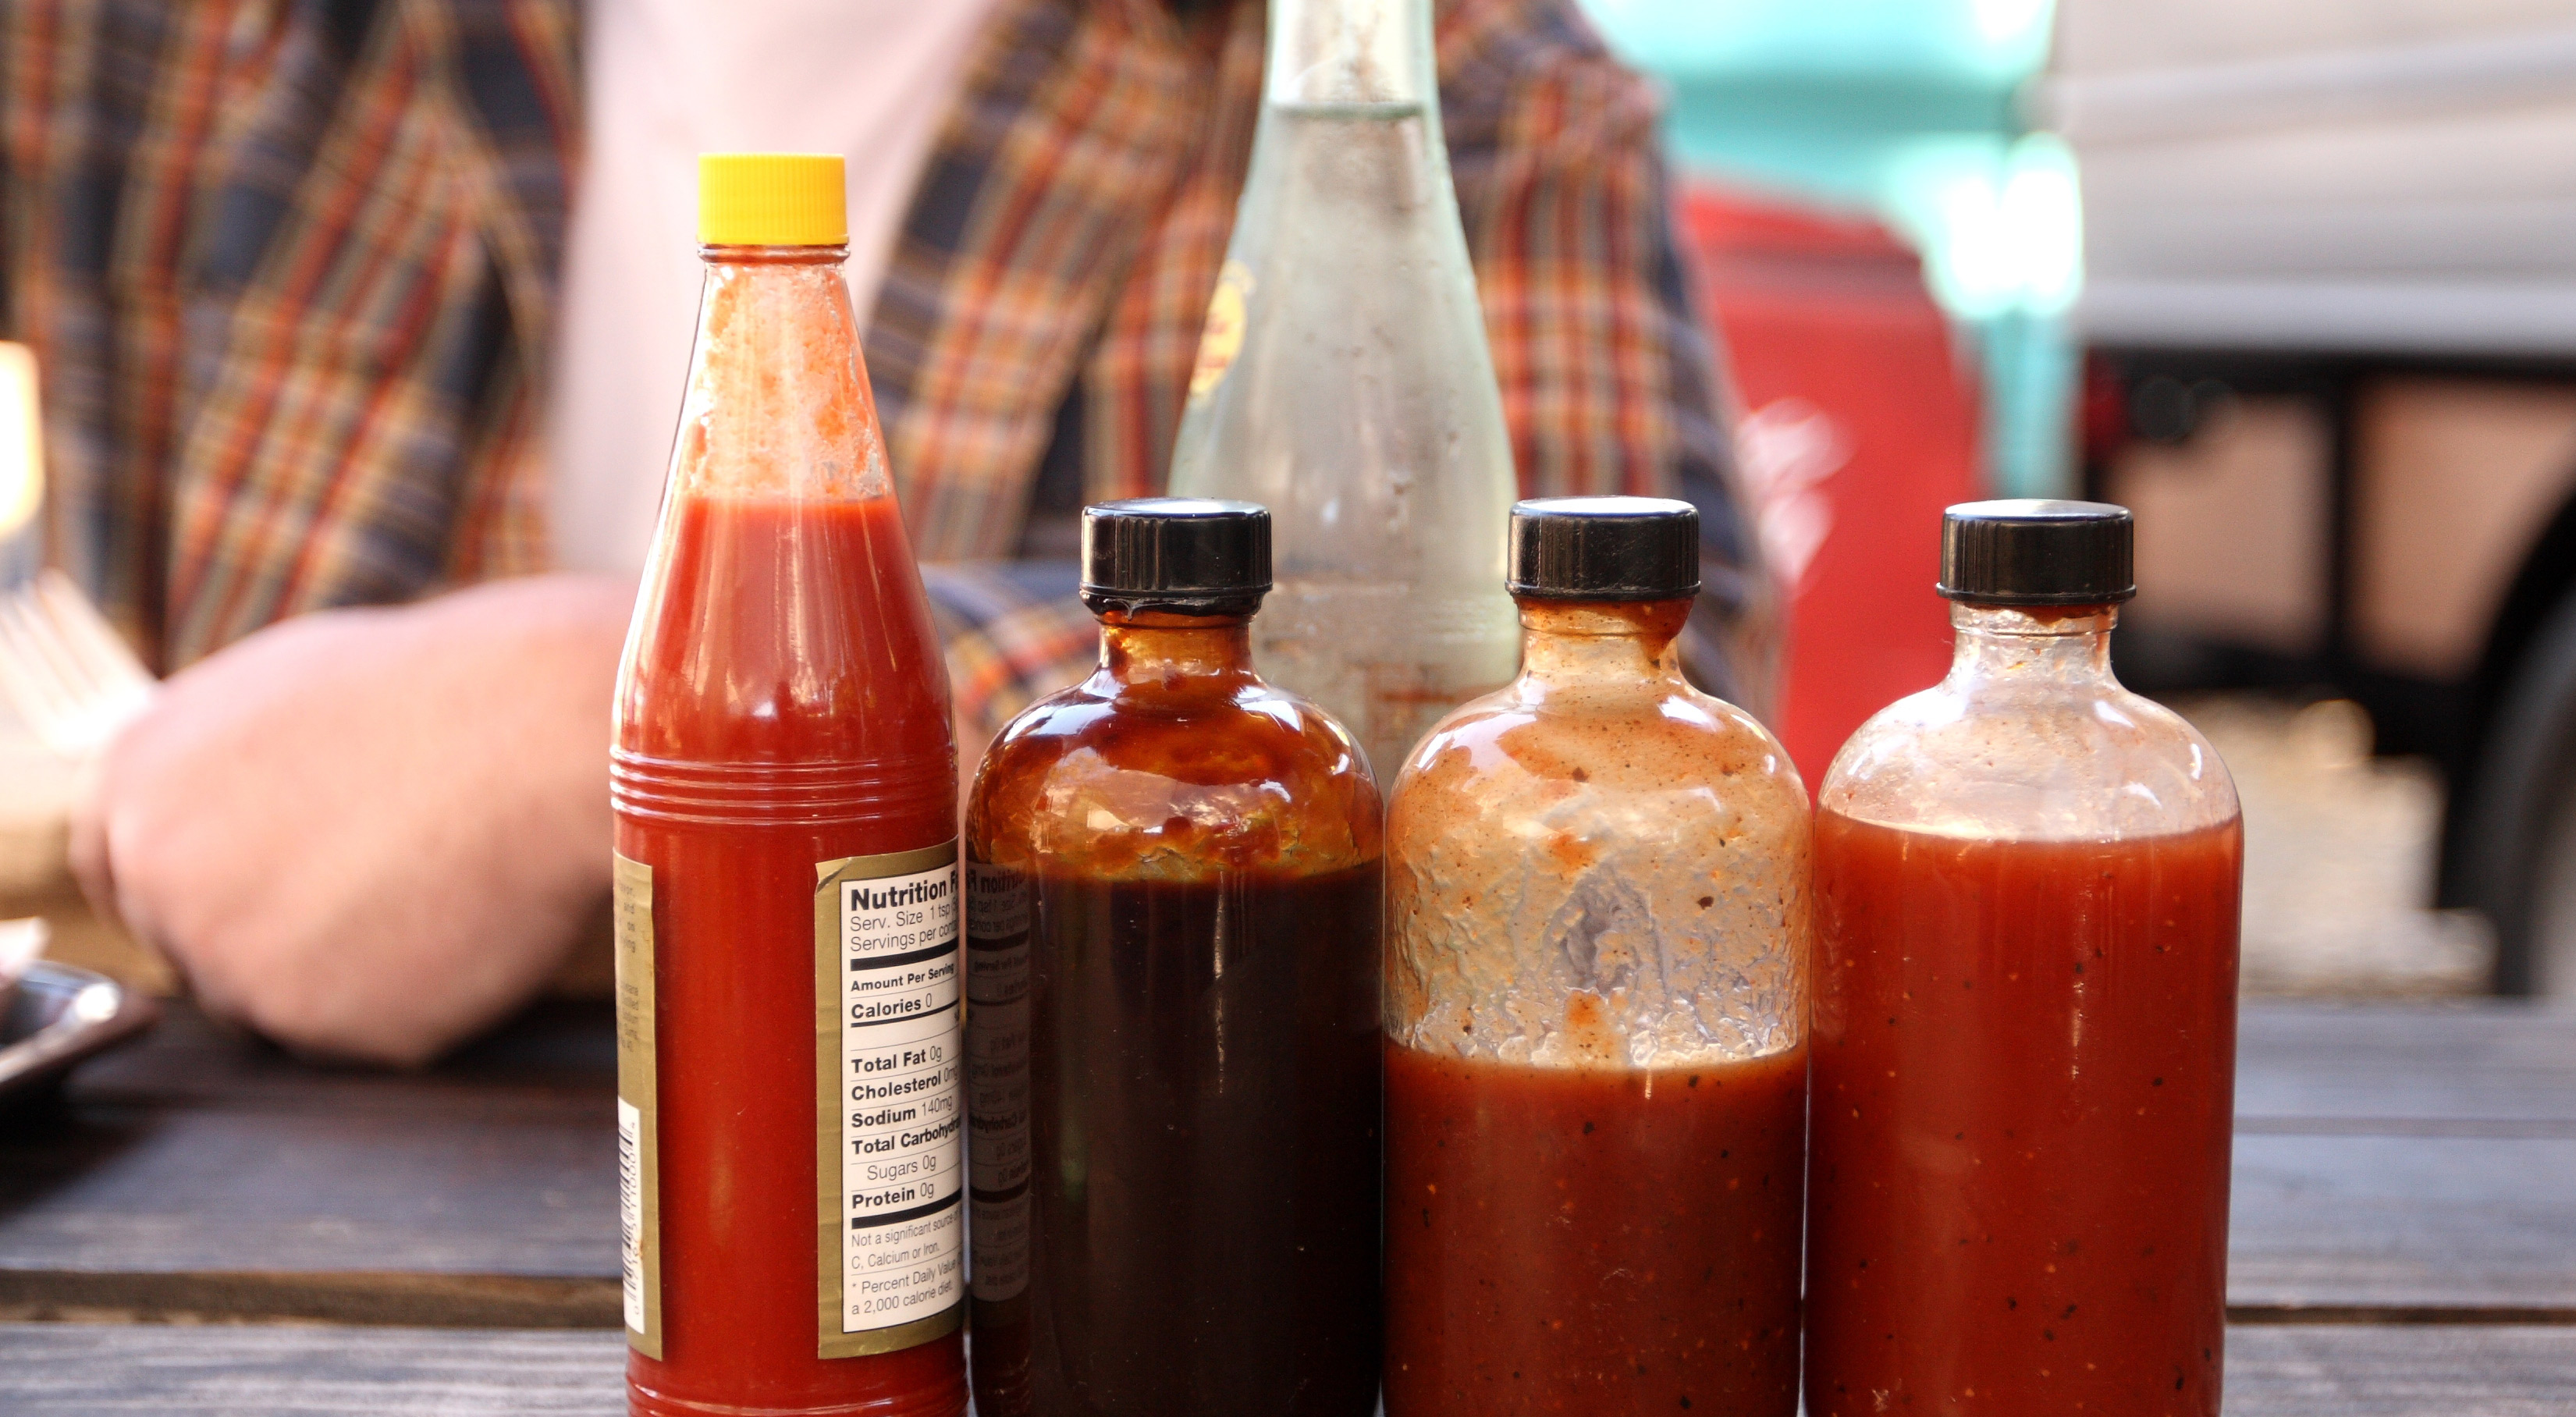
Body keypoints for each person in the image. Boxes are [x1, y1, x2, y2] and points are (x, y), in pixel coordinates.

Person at [6, 0, 1767, 1064]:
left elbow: (1597, 763)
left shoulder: (1449, 87)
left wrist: (627, 708)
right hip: (265, 1313)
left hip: (1037, 1288)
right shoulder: (162, 39)